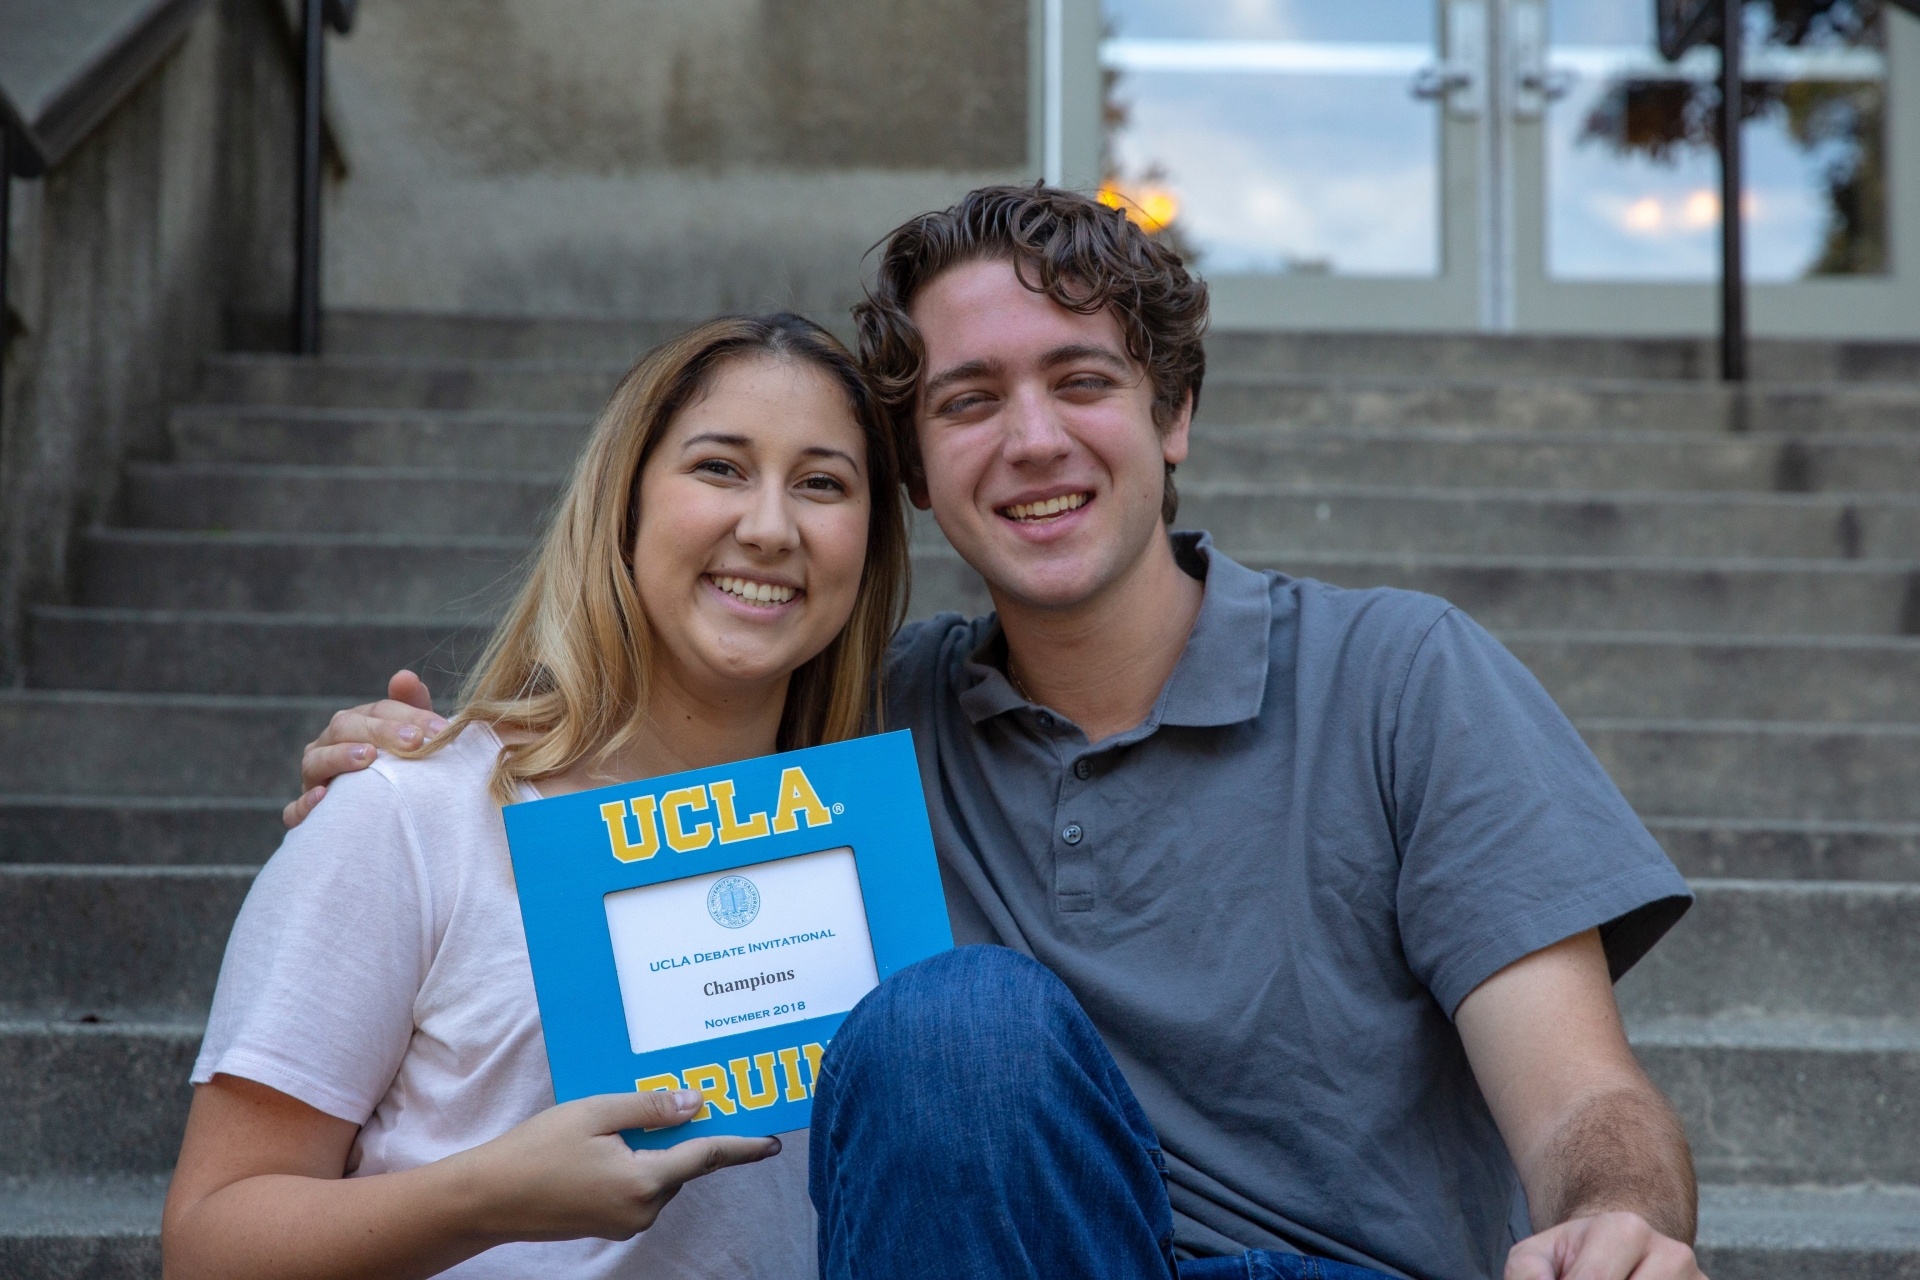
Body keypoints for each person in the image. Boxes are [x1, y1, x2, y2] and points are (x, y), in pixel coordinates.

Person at [290, 186, 1707, 1280]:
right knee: (954, 1027)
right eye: (970, 401)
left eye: (1081, 380)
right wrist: (430, 757)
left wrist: (1618, 1217)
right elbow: (643, 729)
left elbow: (1581, 1093)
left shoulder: (1401, 674)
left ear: (1174, 416)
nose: (1031, 440)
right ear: (916, 473)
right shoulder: (853, 726)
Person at [162, 313, 913, 1279]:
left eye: (822, 484)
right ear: (624, 508)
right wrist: (494, 1196)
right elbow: (206, 1246)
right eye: (719, 467)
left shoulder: (882, 849)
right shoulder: (412, 812)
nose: (769, 528)